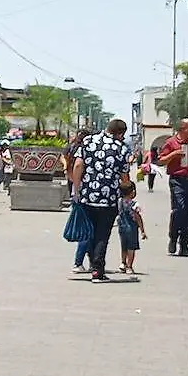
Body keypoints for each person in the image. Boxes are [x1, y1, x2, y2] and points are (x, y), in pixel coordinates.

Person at [72, 119, 132, 283]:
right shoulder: (121, 148)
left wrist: (76, 190)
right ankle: (98, 271)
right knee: (102, 235)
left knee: (90, 233)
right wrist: (128, 189)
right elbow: (124, 177)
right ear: (120, 133)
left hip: (87, 196)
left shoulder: (88, 141)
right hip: (108, 199)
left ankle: (93, 263)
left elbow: (78, 166)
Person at [158, 119, 188, 256]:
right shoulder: (171, 143)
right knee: (179, 209)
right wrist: (173, 155)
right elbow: (160, 161)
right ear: (183, 128)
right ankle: (173, 237)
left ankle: (184, 244)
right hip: (177, 180)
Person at [117, 181, 147, 274]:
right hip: (132, 228)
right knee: (131, 248)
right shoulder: (134, 204)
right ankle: (129, 266)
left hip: (122, 227)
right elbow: (138, 217)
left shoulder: (119, 202)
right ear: (133, 192)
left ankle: (123, 263)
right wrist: (142, 230)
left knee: (123, 246)